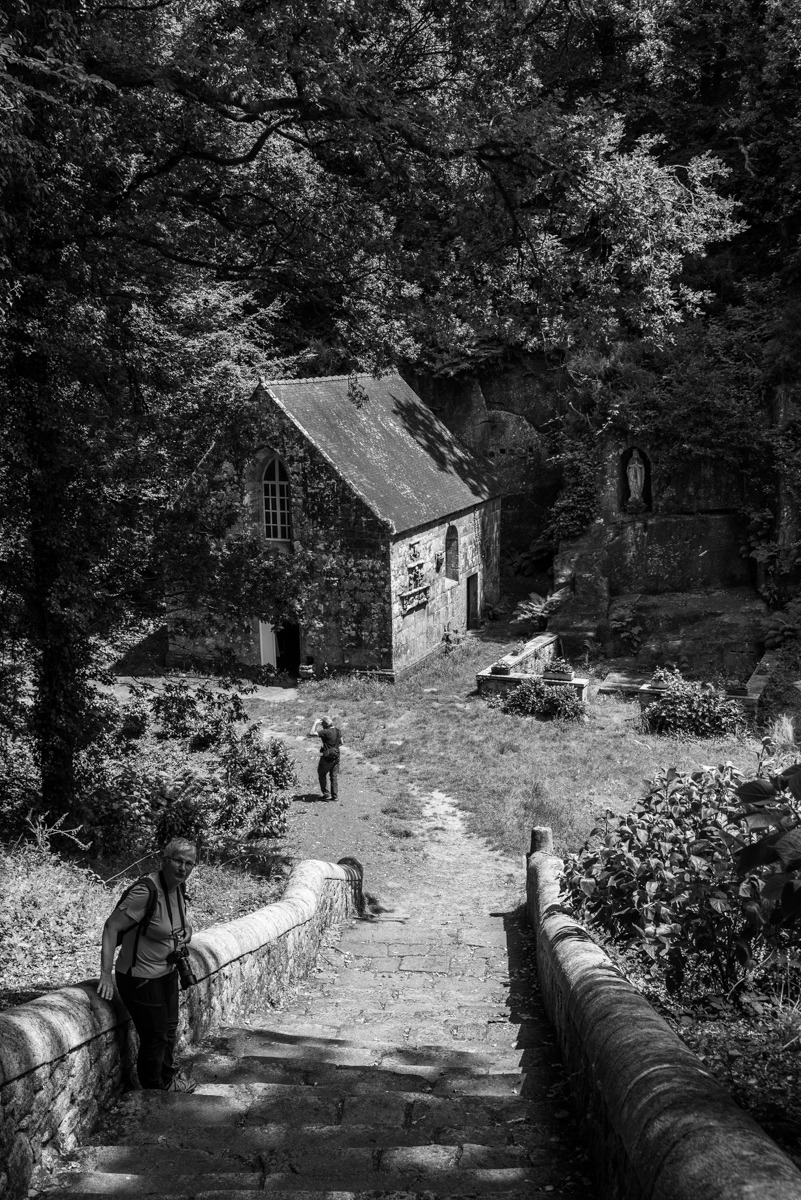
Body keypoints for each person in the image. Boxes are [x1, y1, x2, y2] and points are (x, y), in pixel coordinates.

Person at [97, 838, 197, 1092]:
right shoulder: (146, 891)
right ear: (164, 860)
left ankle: (167, 1080)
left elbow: (176, 922)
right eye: (178, 861)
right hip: (140, 977)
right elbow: (111, 927)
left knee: (169, 1030)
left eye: (189, 863)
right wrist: (105, 974)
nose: (183, 868)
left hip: (167, 971)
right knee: (155, 1036)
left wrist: (187, 930)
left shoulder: (178, 887)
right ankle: (153, 1092)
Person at [311, 715, 342, 801]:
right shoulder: (338, 730)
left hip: (327, 758)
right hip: (336, 756)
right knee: (333, 776)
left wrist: (315, 723)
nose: (322, 726)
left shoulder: (325, 732)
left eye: (322, 724)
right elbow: (341, 742)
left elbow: (311, 733)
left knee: (321, 774)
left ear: (325, 724)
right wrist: (333, 747)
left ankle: (326, 794)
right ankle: (335, 796)